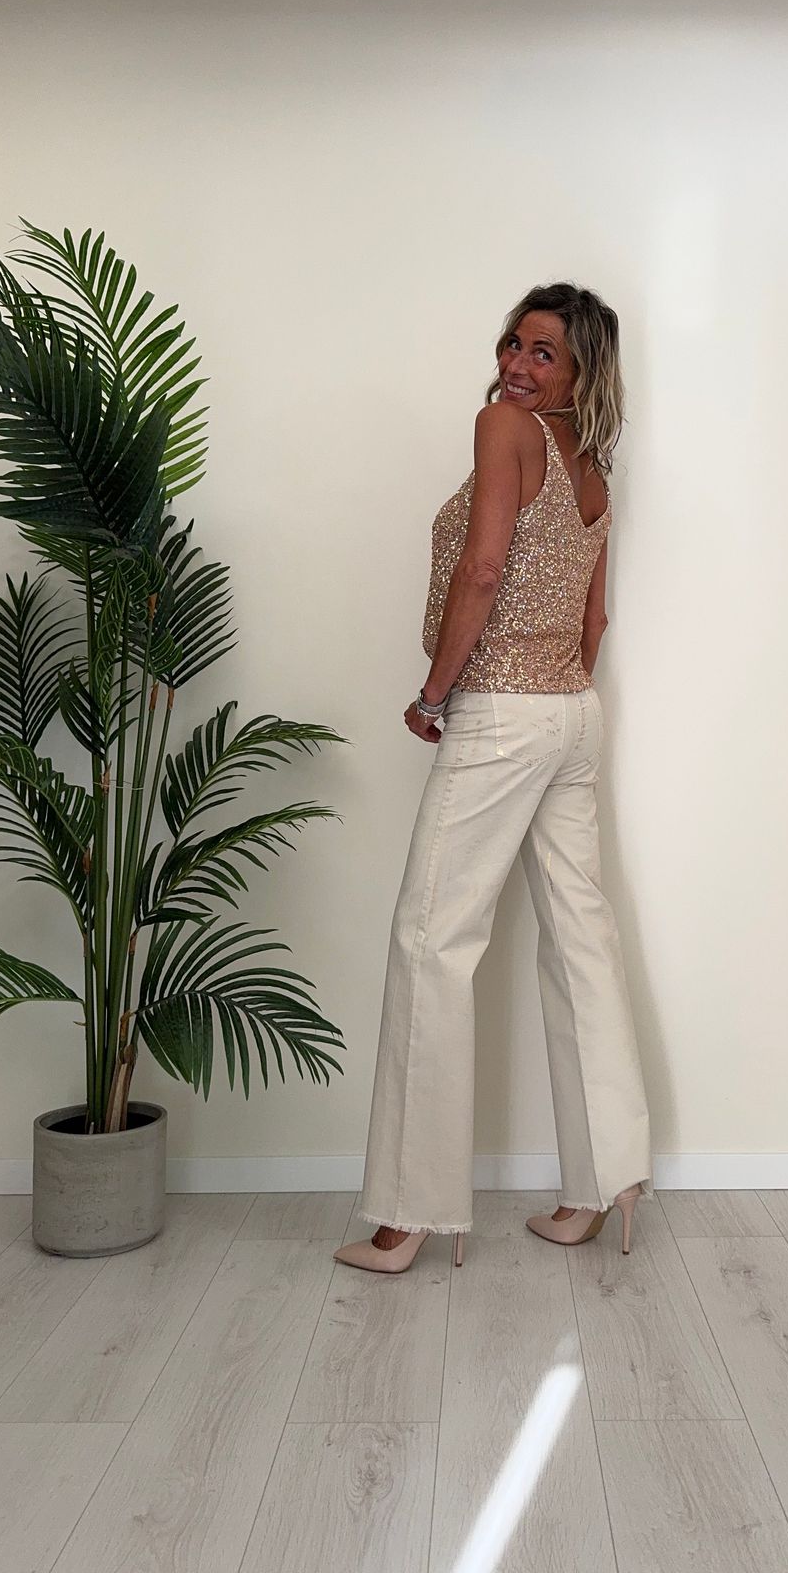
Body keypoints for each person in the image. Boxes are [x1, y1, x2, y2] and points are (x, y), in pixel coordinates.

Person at [333, 283, 652, 1275]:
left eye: (543, 352)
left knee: (430, 941)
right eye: (513, 343)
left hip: (503, 713)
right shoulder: (592, 462)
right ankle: (603, 1186)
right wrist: (558, 697)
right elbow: (594, 618)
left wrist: (435, 696)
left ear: (580, 369)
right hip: (571, 716)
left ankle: (408, 1214)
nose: (516, 364)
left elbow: (481, 570)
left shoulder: (502, 430)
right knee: (581, 941)